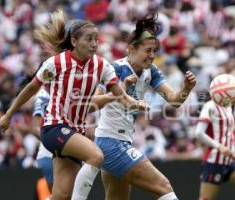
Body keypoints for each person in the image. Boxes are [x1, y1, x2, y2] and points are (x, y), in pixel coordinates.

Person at [0, 10, 148, 200]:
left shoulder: (103, 66)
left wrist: (136, 102)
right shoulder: (56, 63)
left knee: (61, 196)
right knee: (96, 156)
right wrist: (8, 114)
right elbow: (30, 89)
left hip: (75, 133)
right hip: (54, 128)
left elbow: (120, 96)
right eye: (89, 39)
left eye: (96, 39)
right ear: (74, 41)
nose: (94, 44)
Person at [73, 13, 196, 200]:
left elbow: (175, 100)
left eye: (154, 51)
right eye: (148, 50)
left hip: (121, 142)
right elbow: (91, 105)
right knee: (163, 187)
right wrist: (120, 92)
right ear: (131, 49)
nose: (152, 56)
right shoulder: (115, 69)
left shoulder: (151, 71)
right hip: (111, 143)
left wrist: (186, 88)